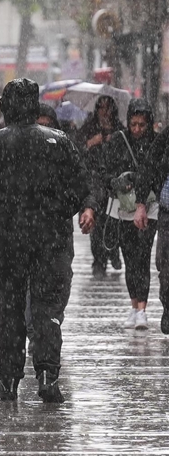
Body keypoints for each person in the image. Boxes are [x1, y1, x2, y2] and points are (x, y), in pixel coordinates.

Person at [0, 78, 96, 403]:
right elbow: (81, 188)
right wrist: (62, 210)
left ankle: (9, 379)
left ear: (7, 107)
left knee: (10, 312)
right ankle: (48, 374)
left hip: (10, 241)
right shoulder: (59, 141)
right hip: (50, 241)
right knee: (47, 309)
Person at [99, 99, 159, 330]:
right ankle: (134, 306)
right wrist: (117, 181)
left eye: (142, 125)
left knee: (142, 257)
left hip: (149, 208)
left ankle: (142, 308)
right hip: (123, 209)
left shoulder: (156, 143)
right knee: (129, 259)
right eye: (133, 124)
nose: (137, 130)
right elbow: (105, 171)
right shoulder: (118, 141)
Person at [78, 95, 125, 278]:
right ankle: (99, 261)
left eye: (108, 108)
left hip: (113, 184)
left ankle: (113, 251)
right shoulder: (88, 129)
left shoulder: (120, 131)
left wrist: (112, 142)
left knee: (113, 222)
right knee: (95, 226)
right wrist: (91, 143)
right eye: (101, 108)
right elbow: (77, 151)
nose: (105, 112)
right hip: (92, 183)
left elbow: (125, 155)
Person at [133, 127, 169, 334]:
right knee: (165, 267)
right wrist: (140, 204)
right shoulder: (165, 137)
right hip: (166, 213)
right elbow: (148, 166)